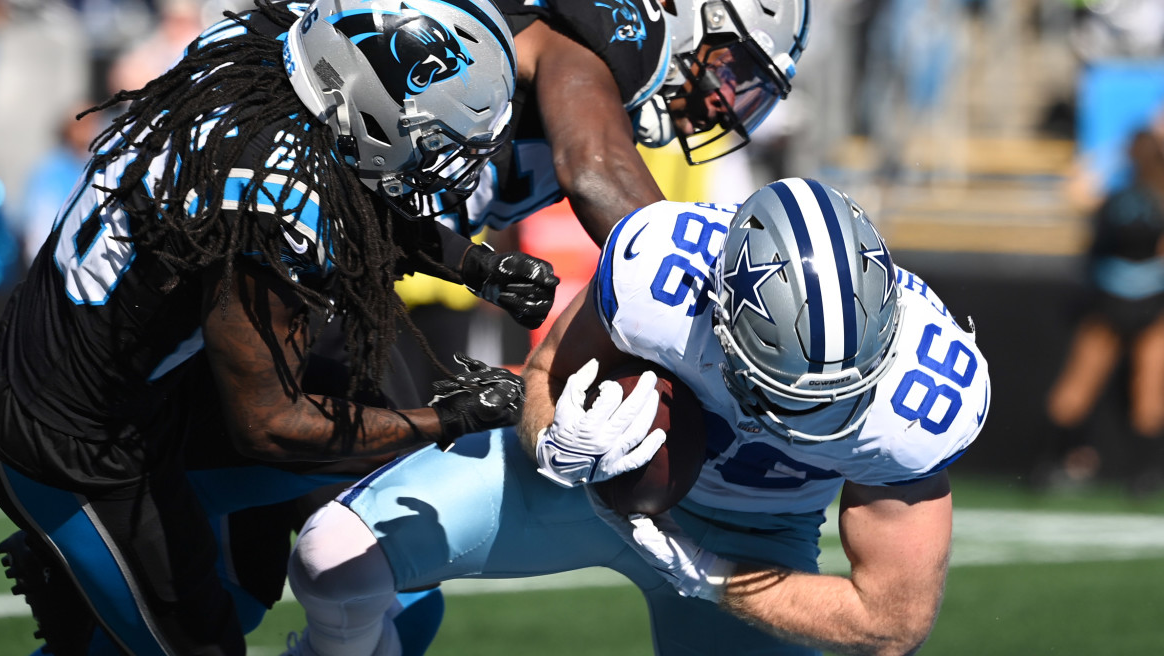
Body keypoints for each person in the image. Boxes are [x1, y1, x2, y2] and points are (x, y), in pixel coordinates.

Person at [0, 0, 559, 656]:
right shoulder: (264, 197)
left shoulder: (267, 50)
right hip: (78, 440)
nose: (439, 157)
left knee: (249, 585)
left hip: (121, 374)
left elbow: (350, 191)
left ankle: (81, 594)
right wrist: (452, 416)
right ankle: (71, 568)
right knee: (206, 645)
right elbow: (271, 425)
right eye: (430, 132)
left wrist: (476, 266)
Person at [284, 177, 991, 656]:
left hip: (757, 540)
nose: (803, 413)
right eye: (782, 386)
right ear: (721, 315)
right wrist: (555, 439)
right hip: (587, 486)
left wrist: (708, 571)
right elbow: (544, 377)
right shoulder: (663, 273)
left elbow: (892, 622)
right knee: (333, 562)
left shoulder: (922, 396)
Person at [444, 0, 810, 245]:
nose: (725, 98)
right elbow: (594, 173)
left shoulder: (616, 98)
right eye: (729, 66)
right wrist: (709, 282)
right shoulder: (617, 10)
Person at [1040, 127, 1164, 492]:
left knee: (1077, 386)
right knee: (1149, 392)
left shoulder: (1113, 199)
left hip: (1108, 305)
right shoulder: (1156, 198)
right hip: (1152, 307)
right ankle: (1145, 476)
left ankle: (1048, 465)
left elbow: (1091, 243)